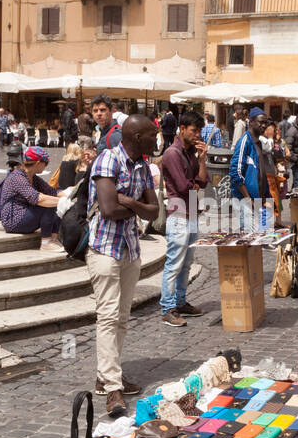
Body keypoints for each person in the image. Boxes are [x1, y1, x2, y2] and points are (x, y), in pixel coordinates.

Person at [87, 114, 159, 416]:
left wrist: (129, 203)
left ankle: (108, 375)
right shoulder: (108, 160)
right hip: (104, 250)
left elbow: (154, 212)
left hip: (129, 249)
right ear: (138, 137)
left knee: (122, 317)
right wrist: (134, 207)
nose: (157, 139)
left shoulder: (142, 166)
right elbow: (107, 208)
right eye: (153, 135)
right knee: (107, 316)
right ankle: (112, 388)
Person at [160, 110, 208, 327]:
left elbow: (203, 182)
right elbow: (184, 186)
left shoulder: (191, 153)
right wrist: (195, 184)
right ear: (182, 129)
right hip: (178, 215)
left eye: (199, 130)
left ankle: (180, 302)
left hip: (191, 214)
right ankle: (167, 308)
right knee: (174, 264)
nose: (197, 134)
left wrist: (203, 160)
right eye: (194, 130)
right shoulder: (172, 153)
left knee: (187, 264)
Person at [0, 145, 63, 250]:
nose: (46, 166)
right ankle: (46, 242)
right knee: (48, 204)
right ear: (38, 163)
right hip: (12, 220)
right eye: (45, 163)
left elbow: (52, 191)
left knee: (54, 202)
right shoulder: (17, 177)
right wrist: (63, 201)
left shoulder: (34, 178)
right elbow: (37, 198)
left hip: (25, 216)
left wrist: (70, 195)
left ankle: (53, 239)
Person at [229, 107, 269, 224]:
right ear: (251, 122)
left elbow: (260, 172)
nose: (264, 125)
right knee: (248, 238)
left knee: (261, 238)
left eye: (265, 123)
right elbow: (235, 173)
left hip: (259, 200)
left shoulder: (259, 143)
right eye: (260, 122)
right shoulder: (244, 141)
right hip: (246, 201)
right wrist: (248, 199)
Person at [260, 121, 284, 225]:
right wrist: (270, 138)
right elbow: (267, 149)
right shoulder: (261, 139)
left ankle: (277, 223)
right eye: (273, 131)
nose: (274, 133)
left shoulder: (270, 140)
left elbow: (279, 155)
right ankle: (265, 226)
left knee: (276, 201)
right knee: (268, 201)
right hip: (266, 177)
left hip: (272, 175)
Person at [283, 114, 298, 191]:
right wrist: (297, 162)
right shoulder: (292, 131)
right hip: (296, 162)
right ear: (296, 119)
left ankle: (294, 202)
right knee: (297, 185)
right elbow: (288, 150)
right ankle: (294, 201)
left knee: (297, 183)